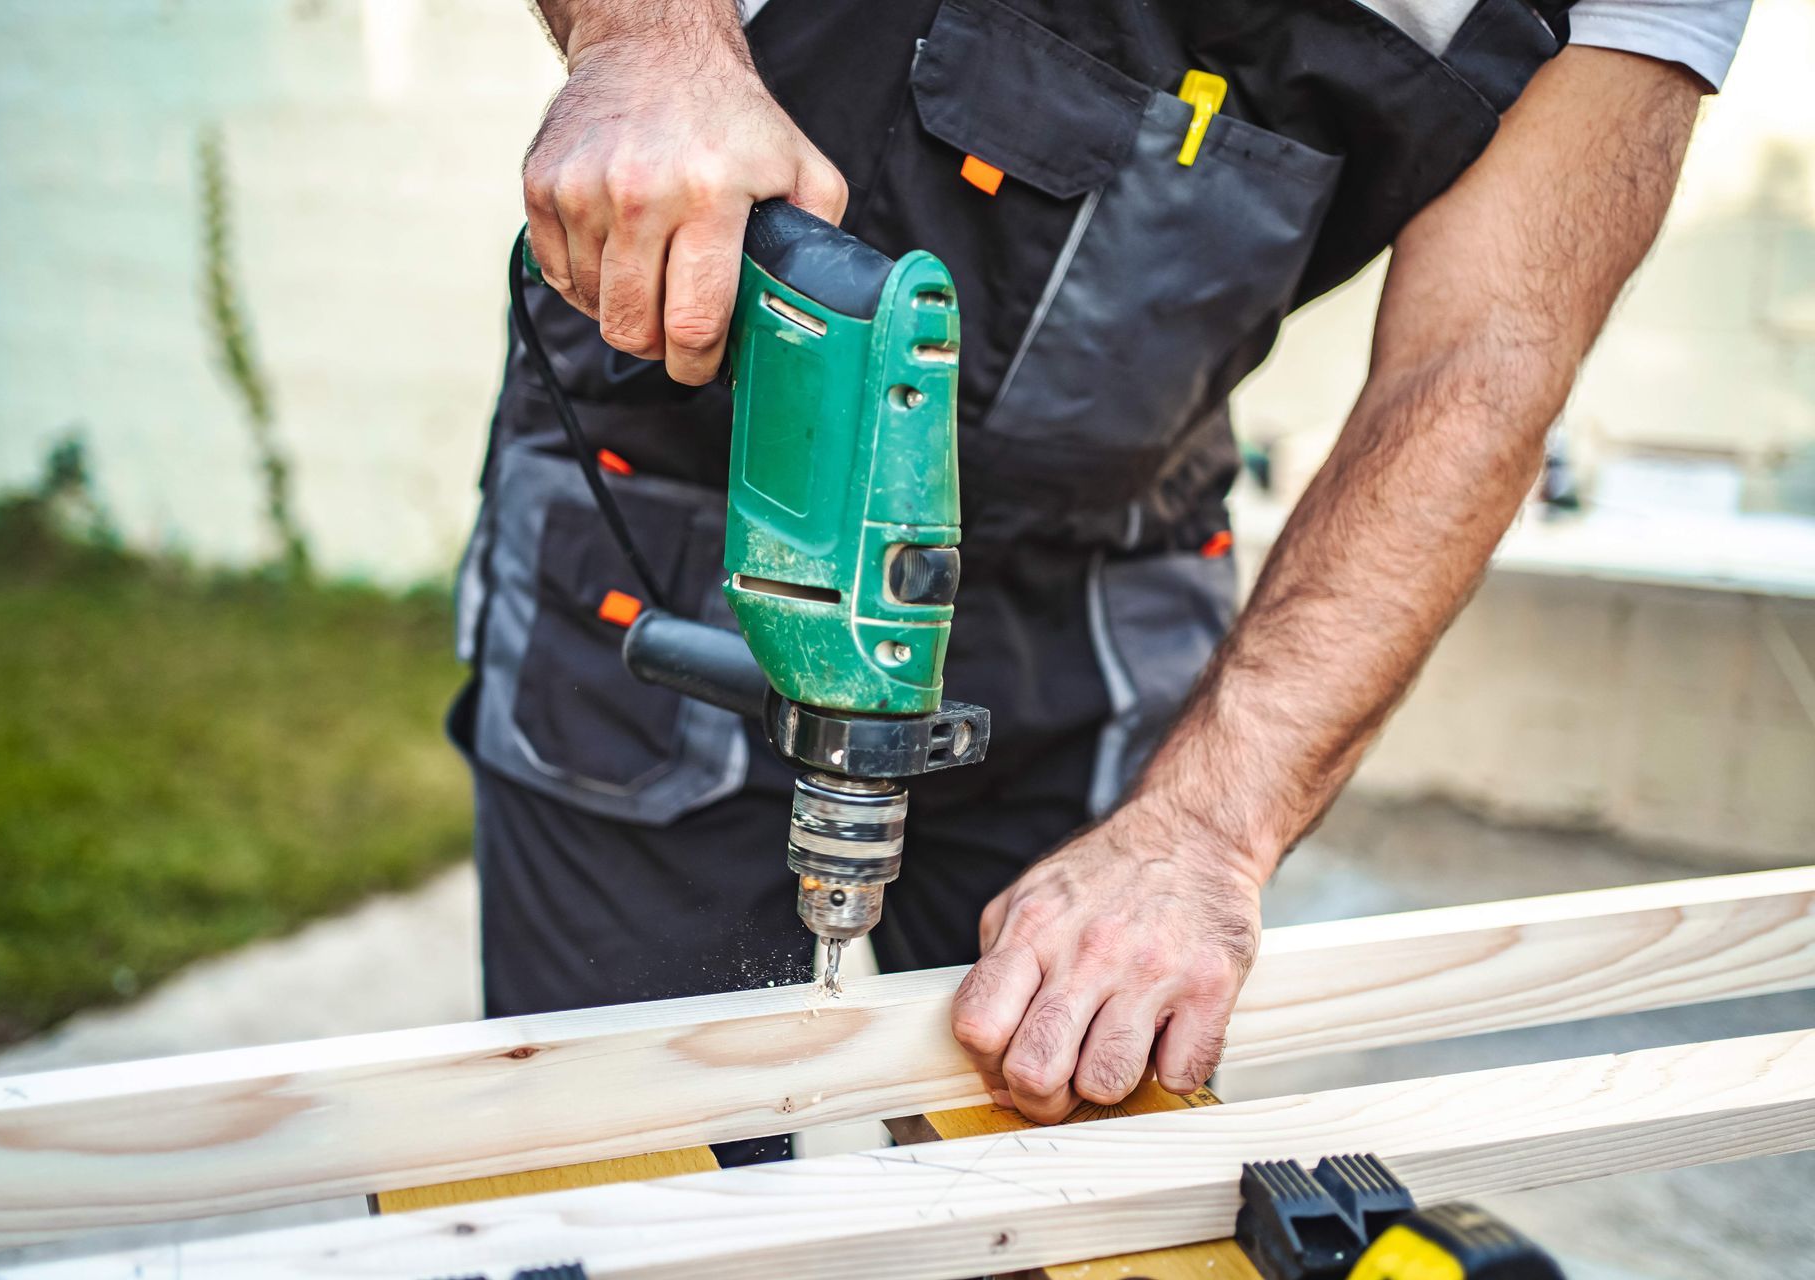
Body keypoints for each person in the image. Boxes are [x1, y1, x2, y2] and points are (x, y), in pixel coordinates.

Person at [449, 0, 1751, 1143]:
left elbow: (1478, 371)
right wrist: (647, 42)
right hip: (683, 513)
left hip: (1107, 572)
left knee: (1067, 1146)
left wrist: (1202, 834)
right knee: (642, 1161)